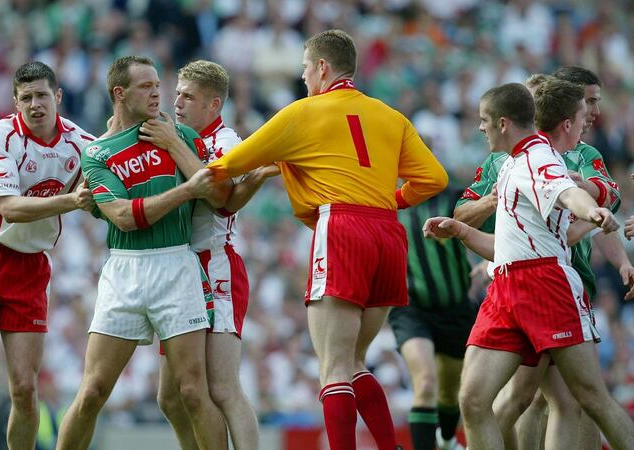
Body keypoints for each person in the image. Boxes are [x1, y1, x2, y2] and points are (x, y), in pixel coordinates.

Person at [204, 29, 449, 450]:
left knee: (332, 367)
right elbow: (434, 179)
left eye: (304, 67)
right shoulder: (391, 116)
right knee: (354, 362)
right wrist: (392, 198)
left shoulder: (303, 112)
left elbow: (229, 164)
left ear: (321, 67)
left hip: (341, 226)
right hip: (389, 232)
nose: (302, 77)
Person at [424, 81, 634, 450]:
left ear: (503, 123)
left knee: (588, 399)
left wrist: (593, 210)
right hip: (506, 287)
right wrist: (460, 231)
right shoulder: (511, 165)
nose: (479, 127)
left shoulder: (537, 157)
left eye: (484, 120)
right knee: (474, 400)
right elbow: (508, 247)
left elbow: (568, 193)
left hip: (546, 287)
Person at [54, 56, 229, 450]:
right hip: (125, 271)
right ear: (120, 93)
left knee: (192, 393)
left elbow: (220, 197)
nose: (157, 93)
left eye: (157, 85)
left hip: (177, 264)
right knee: (93, 391)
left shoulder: (179, 135)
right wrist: (187, 190)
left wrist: (179, 150)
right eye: (145, 86)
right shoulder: (97, 153)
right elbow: (122, 217)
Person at [0, 61, 97, 450]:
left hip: (30, 265)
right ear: (15, 102)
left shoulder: (83, 144)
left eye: (42, 95)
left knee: (25, 388)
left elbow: (111, 165)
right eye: (26, 97)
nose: (35, 105)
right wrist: (72, 200)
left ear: (58, 97)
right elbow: (10, 208)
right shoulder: (1, 136)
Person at [137, 60, 270, 450]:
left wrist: (172, 144)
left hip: (215, 263)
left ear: (214, 105)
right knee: (170, 396)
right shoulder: (173, 132)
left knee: (223, 388)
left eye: (188, 96)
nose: (176, 102)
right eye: (176, 93)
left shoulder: (226, 142)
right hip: (177, 267)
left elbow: (217, 198)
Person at [389, 186, 473, 450]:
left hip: (455, 309)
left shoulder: (454, 199)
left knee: (450, 393)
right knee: (425, 382)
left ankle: (446, 441)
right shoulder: (388, 204)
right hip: (411, 309)